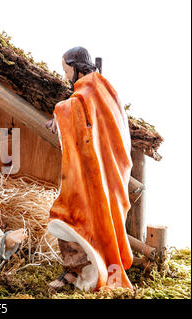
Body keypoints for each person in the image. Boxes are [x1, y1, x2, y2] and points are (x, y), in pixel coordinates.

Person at [46, 47, 134, 291]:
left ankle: (79, 271)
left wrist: (58, 113)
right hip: (95, 169)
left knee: (69, 216)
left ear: (76, 67)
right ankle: (80, 269)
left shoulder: (91, 88)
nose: (65, 76)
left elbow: (77, 110)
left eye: (66, 70)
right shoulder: (100, 88)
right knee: (77, 219)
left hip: (97, 173)